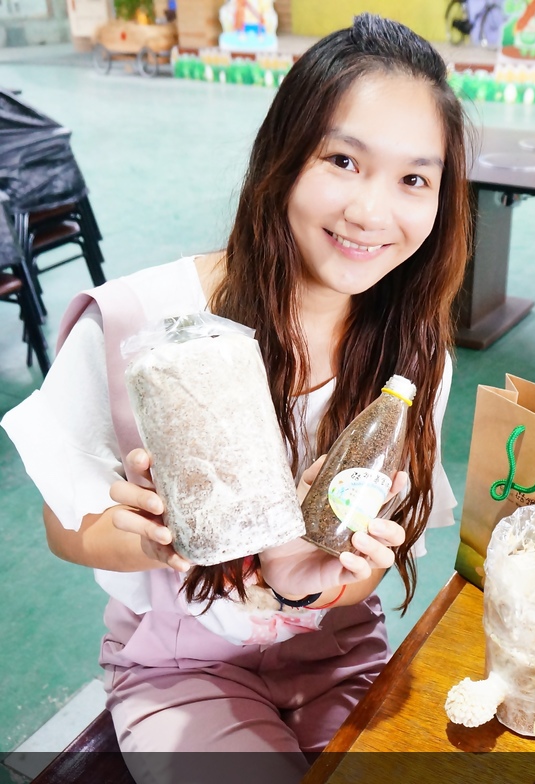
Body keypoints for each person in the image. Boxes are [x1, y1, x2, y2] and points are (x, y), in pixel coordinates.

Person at [1, 13, 471, 780]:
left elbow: (373, 562)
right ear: (282, 157)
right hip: (182, 668)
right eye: (343, 160)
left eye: (414, 178)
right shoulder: (140, 325)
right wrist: (149, 535)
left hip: (343, 653)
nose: (371, 213)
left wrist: (317, 577)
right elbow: (65, 526)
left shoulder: (412, 361)